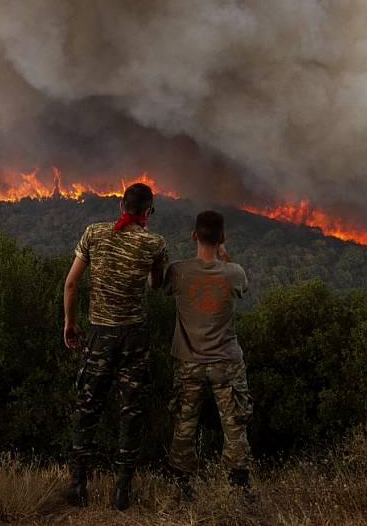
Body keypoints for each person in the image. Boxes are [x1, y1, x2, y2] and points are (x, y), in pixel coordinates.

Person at [62, 182, 167, 511]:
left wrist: (70, 322)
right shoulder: (154, 242)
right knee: (130, 411)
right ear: (147, 211)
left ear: (121, 205)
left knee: (87, 408)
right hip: (133, 337)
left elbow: (70, 282)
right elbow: (156, 284)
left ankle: (78, 486)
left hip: (99, 335)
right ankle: (122, 490)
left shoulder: (93, 233)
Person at [164, 210, 254, 502]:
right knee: (234, 424)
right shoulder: (234, 273)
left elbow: (159, 285)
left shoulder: (178, 271)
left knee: (185, 422)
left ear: (194, 236)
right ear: (222, 238)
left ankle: (181, 485)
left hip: (189, 362)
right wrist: (225, 256)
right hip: (226, 363)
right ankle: (239, 487)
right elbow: (241, 286)